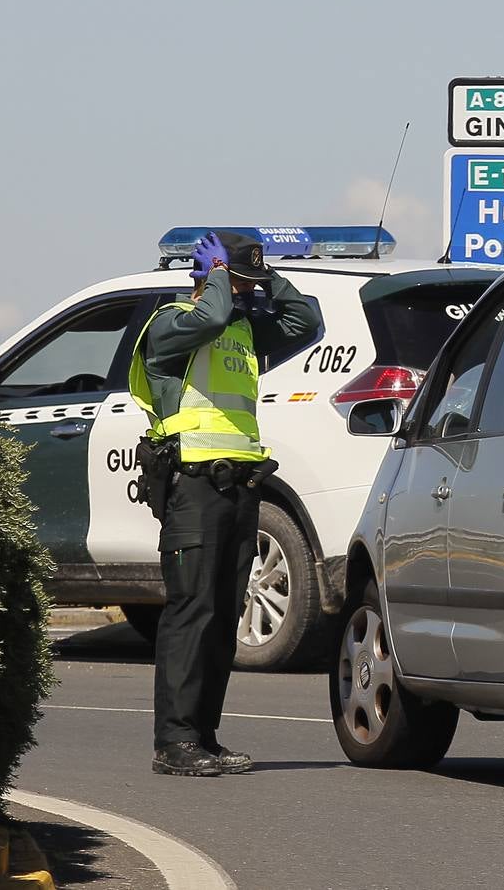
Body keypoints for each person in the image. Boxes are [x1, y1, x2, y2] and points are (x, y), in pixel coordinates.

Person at [129, 231, 322, 775]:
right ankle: (174, 743)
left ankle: (204, 738)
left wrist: (268, 279)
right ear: (206, 276)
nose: (245, 293)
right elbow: (208, 319)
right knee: (192, 613)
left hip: (240, 486)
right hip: (192, 486)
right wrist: (217, 278)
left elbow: (305, 323)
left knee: (223, 617)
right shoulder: (171, 323)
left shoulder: (240, 329)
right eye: (239, 282)